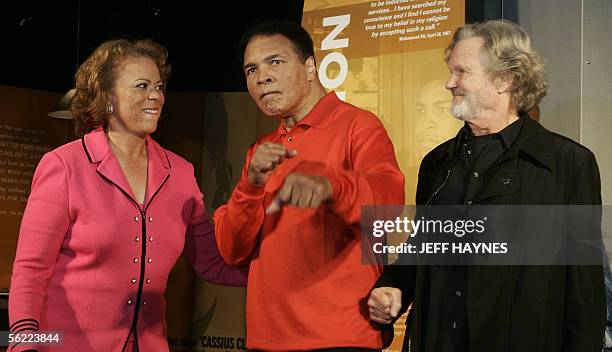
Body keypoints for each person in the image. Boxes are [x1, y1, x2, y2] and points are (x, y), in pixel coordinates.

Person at [368, 20, 605, 351]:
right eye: (451, 71)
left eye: (461, 71)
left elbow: (584, 290)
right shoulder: (437, 164)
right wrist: (395, 285)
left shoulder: (567, 164)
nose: (450, 83)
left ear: (504, 79)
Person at [8, 39, 247, 352]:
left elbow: (211, 262)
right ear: (107, 97)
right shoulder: (65, 166)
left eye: (159, 87)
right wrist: (24, 343)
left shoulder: (181, 173)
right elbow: (31, 271)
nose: (156, 96)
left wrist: (282, 271)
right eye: (141, 85)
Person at [213, 20, 404, 350]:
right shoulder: (261, 149)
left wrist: (332, 187)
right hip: (267, 341)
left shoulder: (357, 125)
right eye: (250, 70)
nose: (261, 77)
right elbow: (231, 250)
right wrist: (251, 185)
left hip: (340, 337)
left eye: (275, 62)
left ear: (311, 67)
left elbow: (388, 207)